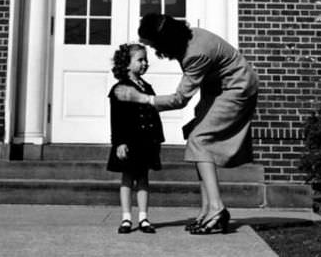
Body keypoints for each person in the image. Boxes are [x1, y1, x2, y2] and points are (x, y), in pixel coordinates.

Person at [114, 14, 259, 235]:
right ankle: (206, 210)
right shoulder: (188, 40)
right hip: (217, 87)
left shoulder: (195, 53)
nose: (151, 50)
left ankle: (217, 209)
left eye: (152, 44)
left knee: (199, 140)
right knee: (198, 139)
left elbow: (180, 100)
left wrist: (141, 98)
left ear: (164, 41)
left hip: (236, 89)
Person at [107, 42, 165, 234]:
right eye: (140, 60)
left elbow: (153, 113)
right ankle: (126, 218)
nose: (144, 63)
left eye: (146, 60)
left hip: (146, 141)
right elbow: (117, 119)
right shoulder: (120, 89)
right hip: (129, 142)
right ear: (126, 63)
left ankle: (143, 217)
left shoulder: (147, 87)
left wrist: (158, 138)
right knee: (127, 179)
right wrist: (119, 142)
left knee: (143, 178)